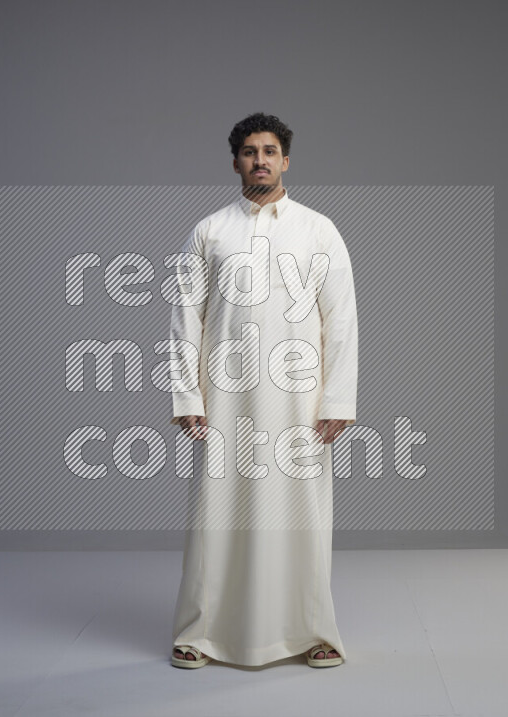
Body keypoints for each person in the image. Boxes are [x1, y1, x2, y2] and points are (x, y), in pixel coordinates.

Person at [168, 112, 358, 668]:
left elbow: (340, 318)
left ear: (286, 160)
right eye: (250, 151)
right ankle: (200, 633)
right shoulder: (209, 231)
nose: (260, 160)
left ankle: (312, 631)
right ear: (235, 162)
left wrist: (338, 399)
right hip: (225, 397)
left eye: (270, 150)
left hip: (300, 399)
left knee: (302, 512)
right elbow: (185, 319)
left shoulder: (319, 230)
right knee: (216, 513)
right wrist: (187, 395)